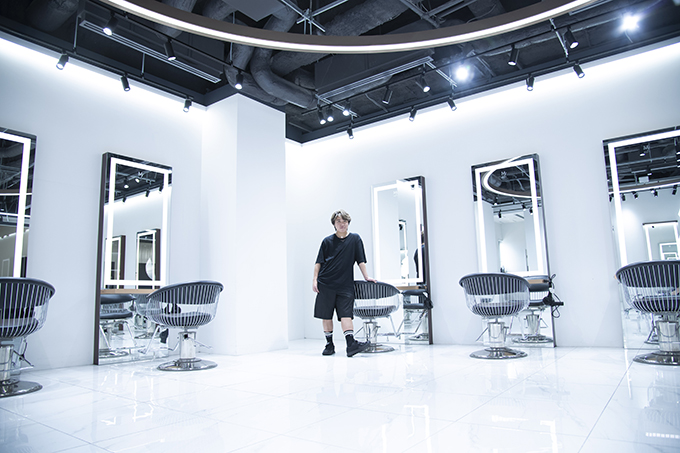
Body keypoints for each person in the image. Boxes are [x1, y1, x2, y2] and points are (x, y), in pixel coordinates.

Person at [313, 209, 376, 357]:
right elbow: (319, 262)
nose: (342, 224)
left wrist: (366, 276)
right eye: (338, 221)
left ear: (348, 223)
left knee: (346, 314)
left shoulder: (355, 239)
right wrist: (315, 279)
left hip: (345, 285)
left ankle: (351, 344)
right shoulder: (327, 241)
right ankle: (329, 345)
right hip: (326, 283)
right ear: (334, 224)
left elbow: (360, 260)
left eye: (345, 221)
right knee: (326, 315)